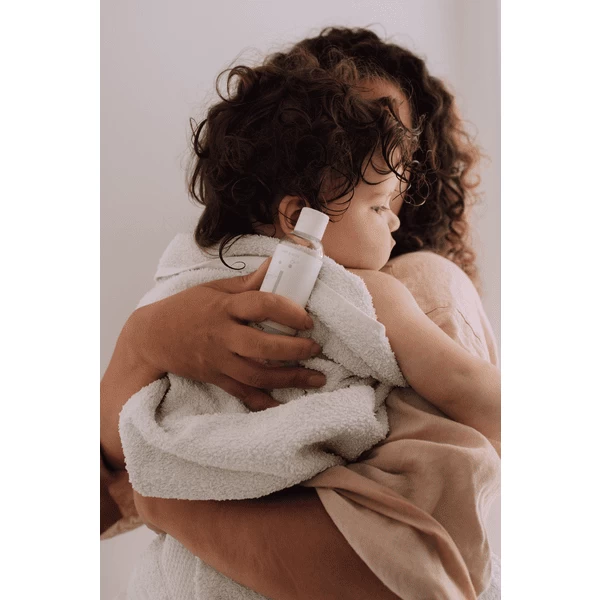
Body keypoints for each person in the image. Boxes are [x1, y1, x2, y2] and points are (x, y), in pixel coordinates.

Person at [101, 26, 500, 600]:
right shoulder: (196, 291)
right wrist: (143, 343)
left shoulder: (418, 286)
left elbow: (420, 563)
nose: (361, 140)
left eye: (384, 134)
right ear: (298, 211)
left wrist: (163, 498)